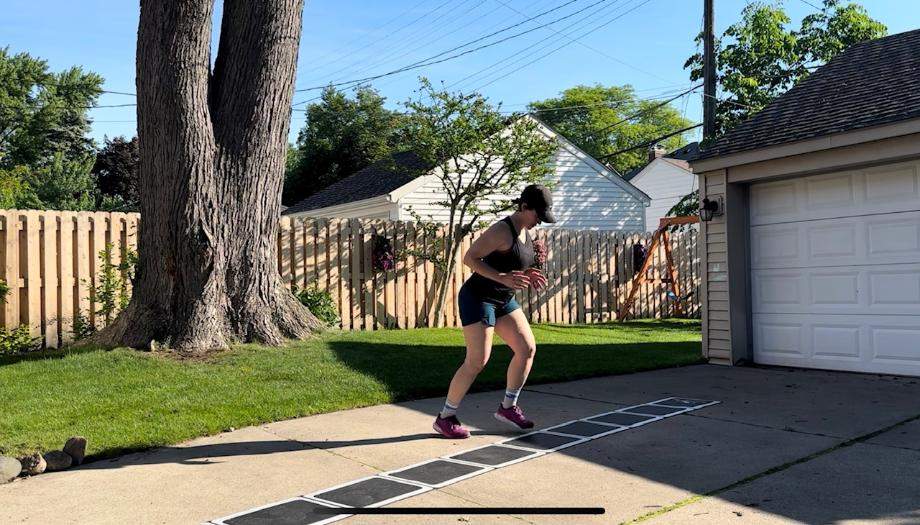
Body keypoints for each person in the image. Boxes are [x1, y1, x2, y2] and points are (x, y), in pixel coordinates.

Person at [432, 184, 554, 439]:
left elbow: (511, 263)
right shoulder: (502, 230)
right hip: (478, 298)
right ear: (524, 207)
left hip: (503, 299)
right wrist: (502, 277)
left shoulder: (525, 232)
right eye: (538, 215)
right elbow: (470, 258)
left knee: (527, 349)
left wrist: (528, 273)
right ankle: (445, 417)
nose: (539, 222)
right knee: (477, 360)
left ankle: (508, 407)